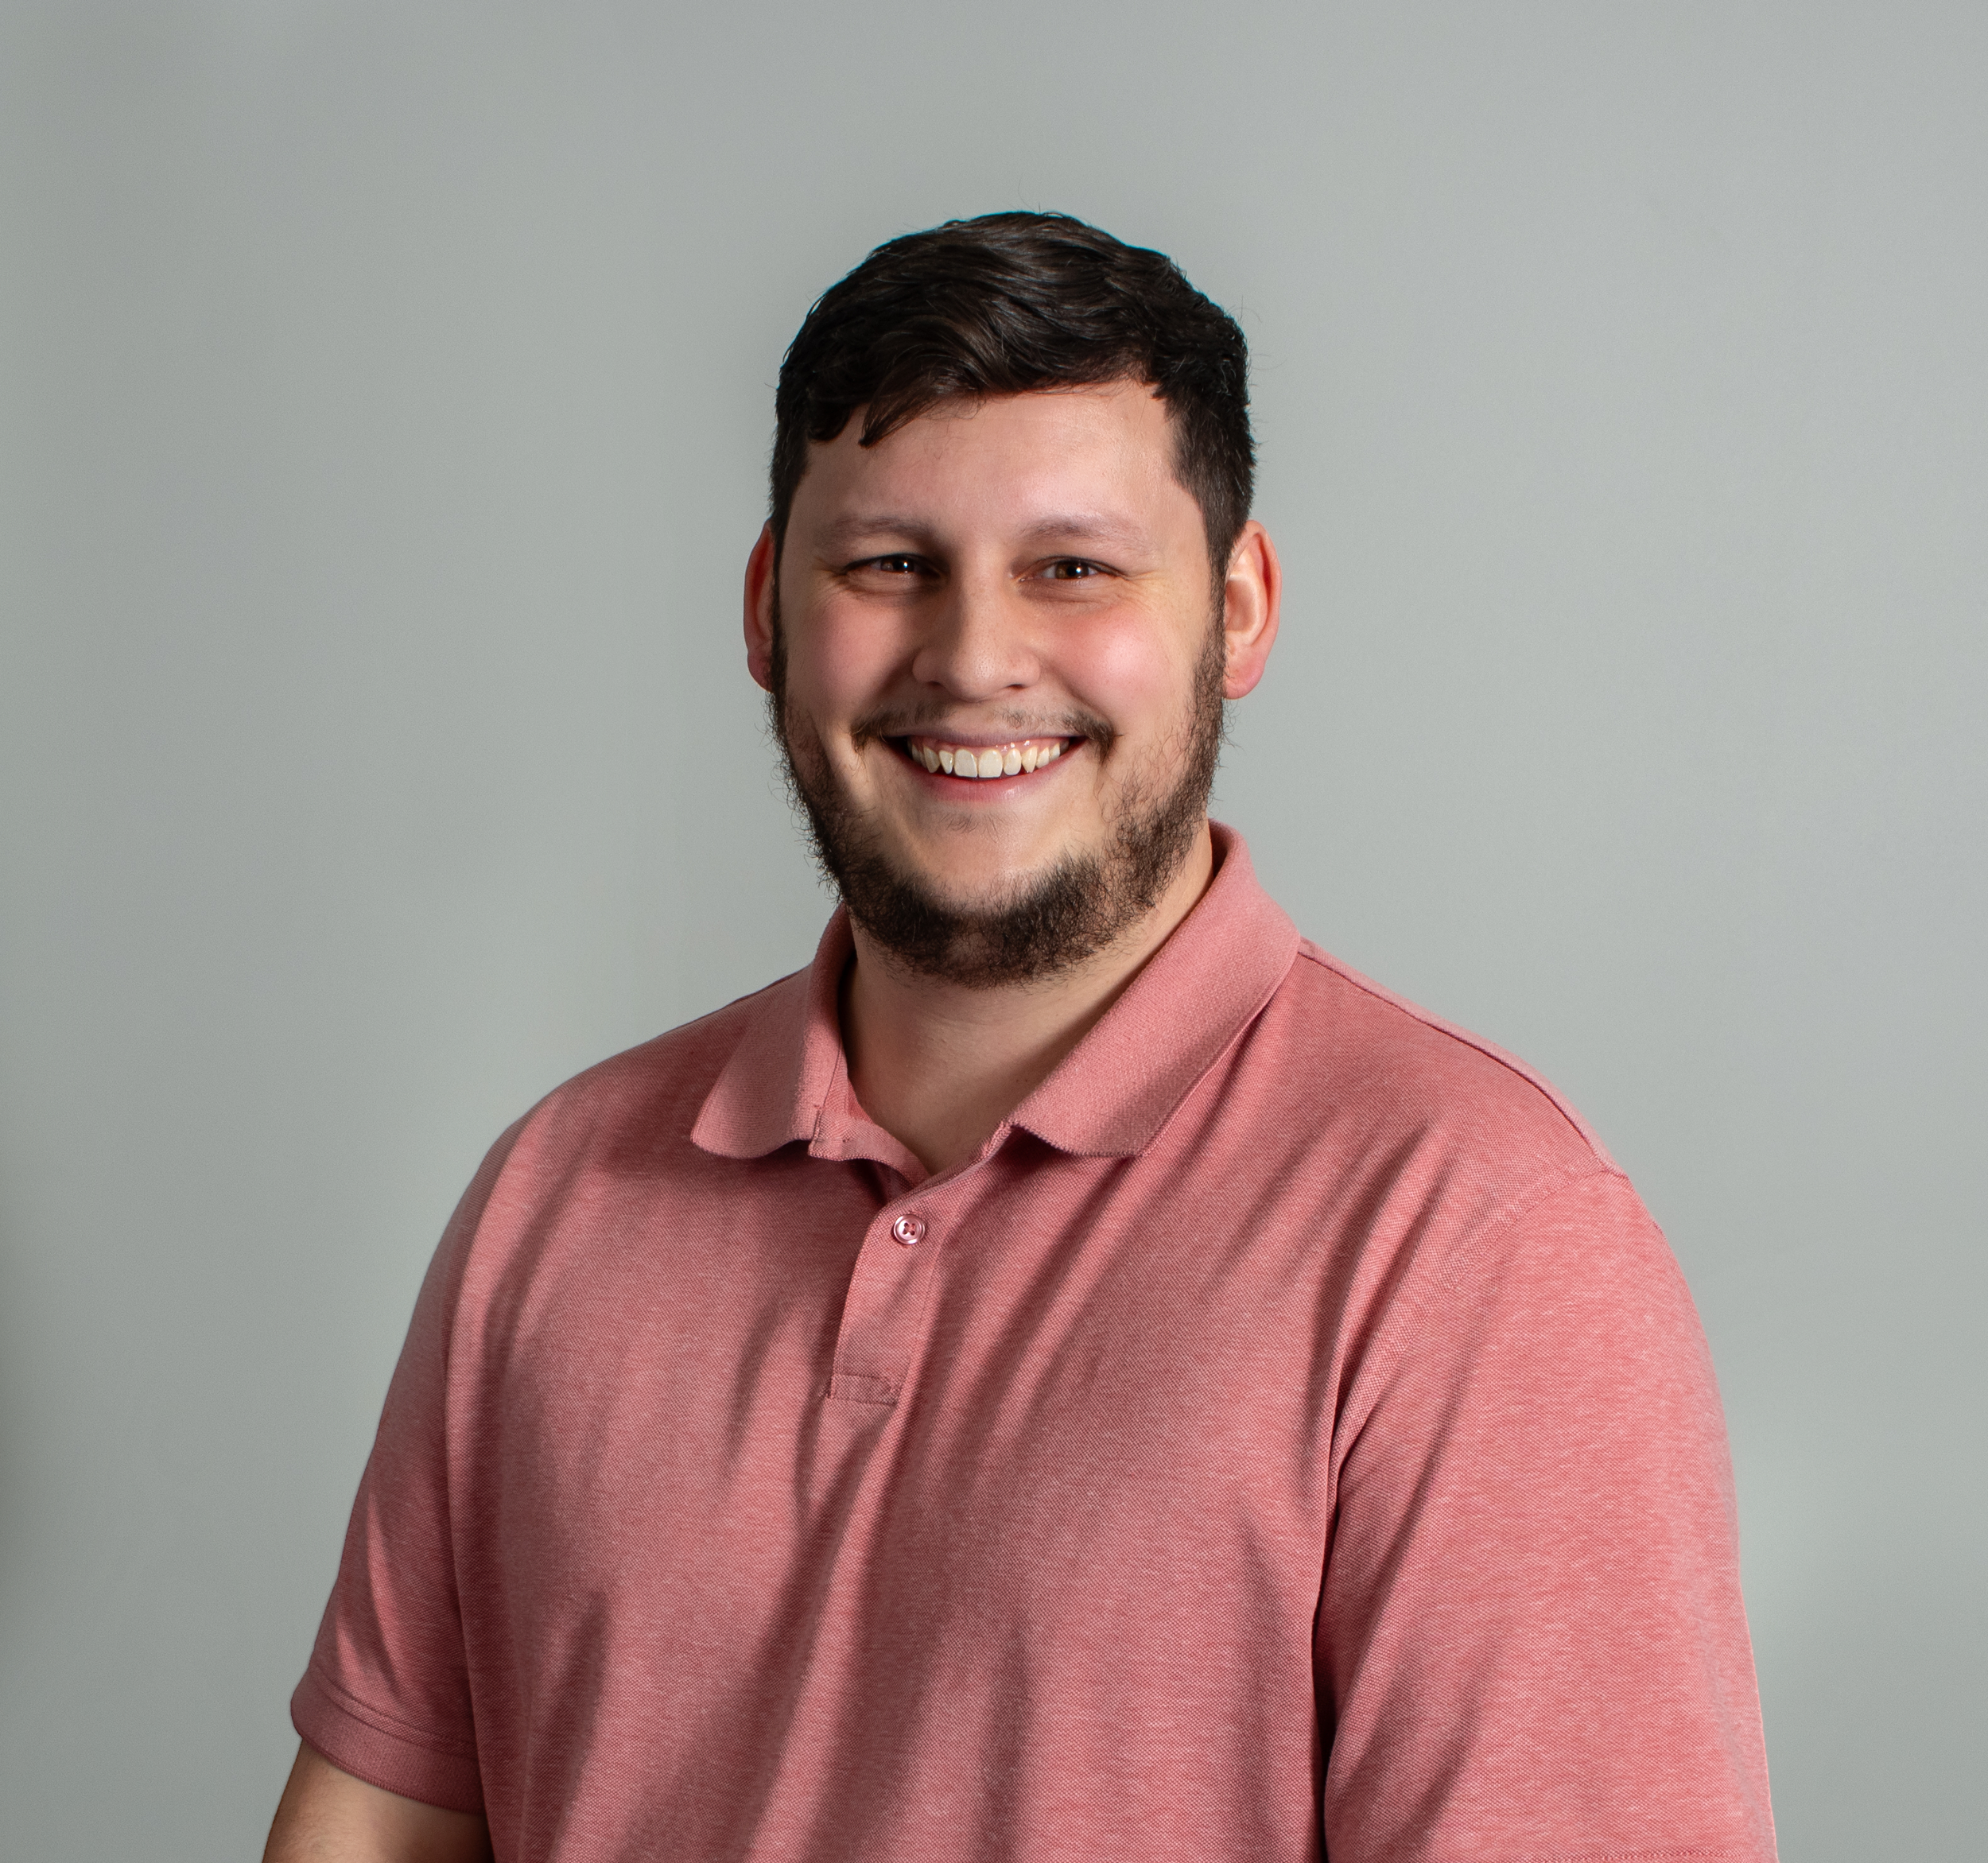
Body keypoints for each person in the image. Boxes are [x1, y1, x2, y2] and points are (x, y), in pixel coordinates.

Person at [266, 212, 1776, 1863]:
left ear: (1239, 607)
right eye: (890, 564)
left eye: (1072, 566)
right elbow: (376, 1826)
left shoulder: (1477, 1239)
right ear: (770, 606)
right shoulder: (556, 1192)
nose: (974, 657)